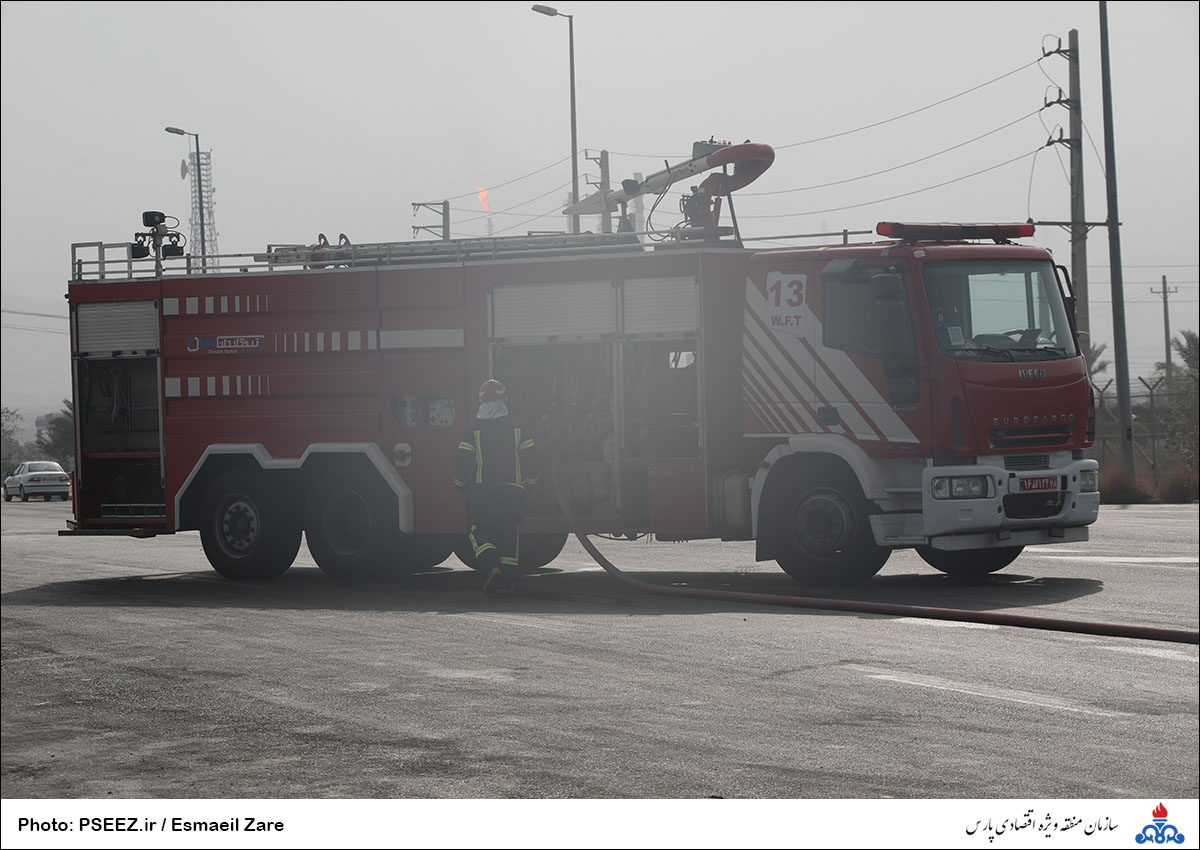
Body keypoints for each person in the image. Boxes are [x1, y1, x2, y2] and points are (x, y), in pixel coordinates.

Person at [454, 379, 538, 595]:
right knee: (510, 534)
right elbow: (530, 458)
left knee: (478, 531)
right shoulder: (518, 425)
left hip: (484, 491)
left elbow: (462, 460)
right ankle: (507, 583)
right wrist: (531, 484)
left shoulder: (473, 428)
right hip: (514, 492)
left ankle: (491, 566)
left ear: (481, 401)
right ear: (504, 400)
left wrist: (460, 485)